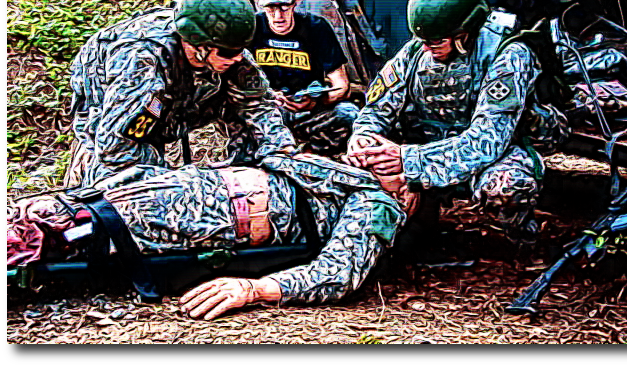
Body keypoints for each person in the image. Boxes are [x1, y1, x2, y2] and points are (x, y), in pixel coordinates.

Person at [7, 154, 406, 320]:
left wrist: (254, 289)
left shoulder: (377, 203)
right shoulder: (341, 171)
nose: (381, 157)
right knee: (55, 211)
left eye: (394, 162)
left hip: (212, 217)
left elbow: (338, 273)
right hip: (185, 186)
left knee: (71, 232)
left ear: (409, 193)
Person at [344, 0, 563, 239]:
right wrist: (364, 137)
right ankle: (419, 229)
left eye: (437, 41)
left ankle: (523, 238)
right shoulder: (416, 51)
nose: (427, 49)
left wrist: (407, 160)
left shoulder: (507, 54)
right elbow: (377, 108)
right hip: (430, 146)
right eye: (423, 41)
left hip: (493, 154)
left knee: (506, 187)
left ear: (464, 31)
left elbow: (486, 141)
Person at [66, 0, 296, 189]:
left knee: (252, 122)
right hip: (112, 110)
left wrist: (280, 151)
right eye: (229, 52)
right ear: (199, 45)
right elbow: (116, 148)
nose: (238, 58)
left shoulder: (229, 53)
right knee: (120, 183)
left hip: (178, 94)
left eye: (241, 49)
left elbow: (259, 105)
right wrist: (178, 182)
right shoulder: (142, 63)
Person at [247, 0, 359, 155]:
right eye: (271, 8)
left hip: (310, 111)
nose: (278, 16)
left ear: (296, 1)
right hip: (270, 111)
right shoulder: (252, 28)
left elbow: (342, 85)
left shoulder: (316, 28)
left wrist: (317, 101)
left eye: (284, 7)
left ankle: (310, 150)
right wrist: (268, 97)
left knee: (349, 114)